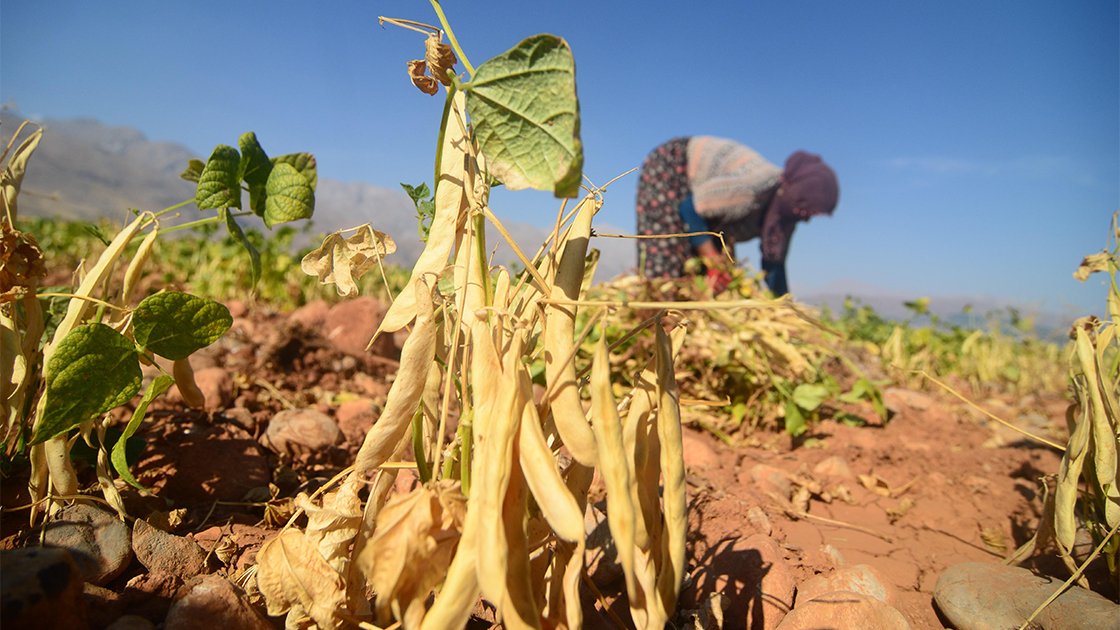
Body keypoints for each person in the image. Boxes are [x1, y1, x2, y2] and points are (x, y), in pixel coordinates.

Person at [635, 136, 839, 296]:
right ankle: (655, 331)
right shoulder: (754, 188)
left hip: (706, 211)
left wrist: (785, 309)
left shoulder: (784, 218)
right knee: (666, 269)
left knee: (712, 284)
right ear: (797, 194)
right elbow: (691, 208)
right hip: (675, 169)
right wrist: (713, 259)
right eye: (806, 210)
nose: (806, 219)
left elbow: (774, 266)